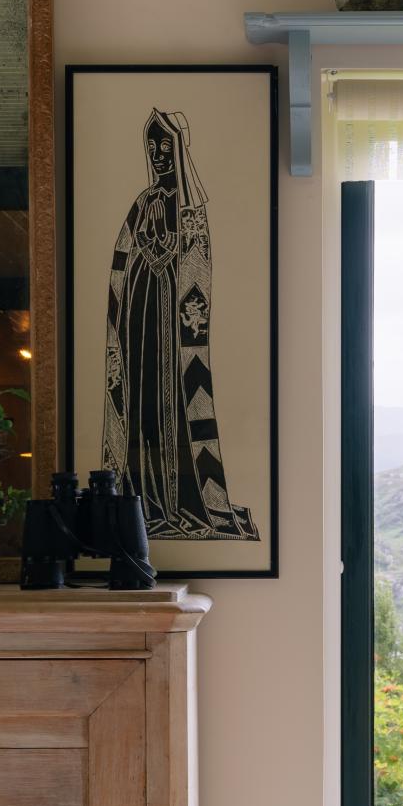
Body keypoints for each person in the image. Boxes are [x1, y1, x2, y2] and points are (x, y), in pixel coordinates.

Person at [101, 107, 256, 540]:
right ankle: (145, 502)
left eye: (164, 146)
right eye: (151, 148)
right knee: (142, 407)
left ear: (179, 149)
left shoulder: (190, 208)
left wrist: (168, 277)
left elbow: (197, 273)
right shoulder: (143, 202)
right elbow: (119, 261)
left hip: (174, 331)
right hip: (139, 321)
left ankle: (183, 501)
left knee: (175, 404)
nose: (157, 155)